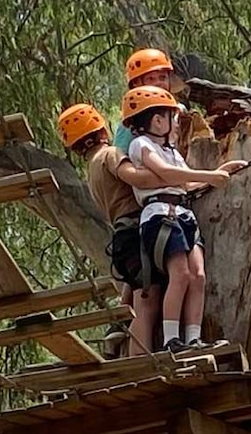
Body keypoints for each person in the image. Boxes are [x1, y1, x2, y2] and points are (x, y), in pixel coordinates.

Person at [121, 86, 245, 352]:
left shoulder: (174, 152)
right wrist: (211, 177)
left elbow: (186, 182)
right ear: (157, 121)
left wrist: (221, 171)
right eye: (173, 119)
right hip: (161, 215)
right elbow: (167, 174)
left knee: (198, 275)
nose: (176, 126)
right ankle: (170, 340)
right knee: (180, 273)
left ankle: (193, 338)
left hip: (183, 214)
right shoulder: (141, 145)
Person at [57, 103, 183, 357]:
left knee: (141, 296)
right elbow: (134, 177)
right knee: (147, 301)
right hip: (136, 228)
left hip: (122, 235)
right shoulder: (110, 155)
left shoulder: (91, 169)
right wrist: (176, 177)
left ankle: (121, 336)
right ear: (102, 130)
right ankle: (143, 363)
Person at [114, 48, 185, 154]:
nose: (159, 83)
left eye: (162, 78)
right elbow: (120, 158)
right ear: (136, 84)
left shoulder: (179, 111)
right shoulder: (133, 121)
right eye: (151, 79)